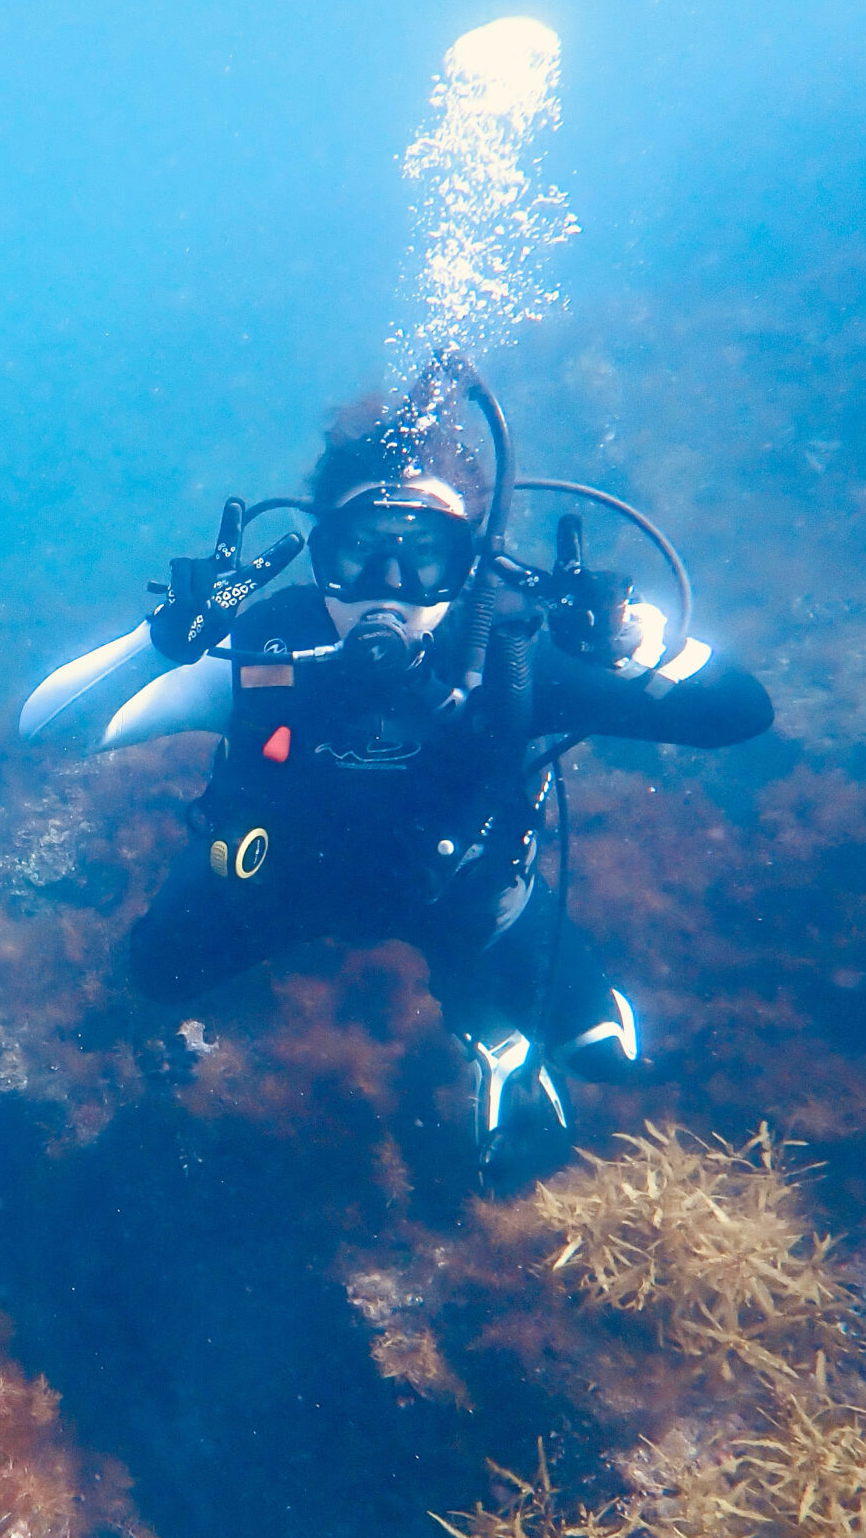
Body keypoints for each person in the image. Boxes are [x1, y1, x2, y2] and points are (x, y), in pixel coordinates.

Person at [118, 359, 772, 1186]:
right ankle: (487, 1022)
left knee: (609, 1057)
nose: (388, 587)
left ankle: (491, 1031)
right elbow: (56, 729)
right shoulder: (268, 647)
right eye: (359, 552)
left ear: (472, 560)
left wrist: (643, 642)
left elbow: (739, 716)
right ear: (320, 552)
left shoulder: (519, 650)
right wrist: (161, 642)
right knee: (154, 976)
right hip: (270, 889)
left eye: (426, 555)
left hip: (465, 902)